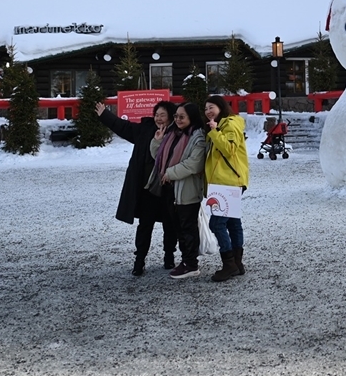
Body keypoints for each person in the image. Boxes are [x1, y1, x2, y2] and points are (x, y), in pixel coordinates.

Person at [95, 100, 177, 276]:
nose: (159, 118)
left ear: (170, 116)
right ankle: (139, 260)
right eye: (156, 115)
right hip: (146, 188)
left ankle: (169, 256)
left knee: (170, 224)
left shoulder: (177, 133)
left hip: (169, 188)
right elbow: (123, 127)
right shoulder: (144, 130)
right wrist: (105, 115)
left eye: (163, 115)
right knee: (145, 225)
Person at [148, 102, 205, 279]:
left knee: (188, 227)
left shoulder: (198, 137)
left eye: (182, 117)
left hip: (187, 189)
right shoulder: (173, 133)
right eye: (176, 116)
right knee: (178, 227)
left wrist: (170, 173)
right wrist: (157, 141)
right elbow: (158, 157)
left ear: (191, 117)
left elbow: (194, 164)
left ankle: (191, 264)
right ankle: (185, 260)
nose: (178, 120)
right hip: (170, 188)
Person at [203, 96, 249, 282]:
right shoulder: (222, 124)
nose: (208, 111)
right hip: (226, 181)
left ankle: (229, 264)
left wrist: (214, 132)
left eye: (211, 107)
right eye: (205, 108)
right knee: (232, 223)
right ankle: (237, 264)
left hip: (228, 182)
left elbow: (229, 149)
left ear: (221, 107)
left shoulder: (229, 124)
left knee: (217, 224)